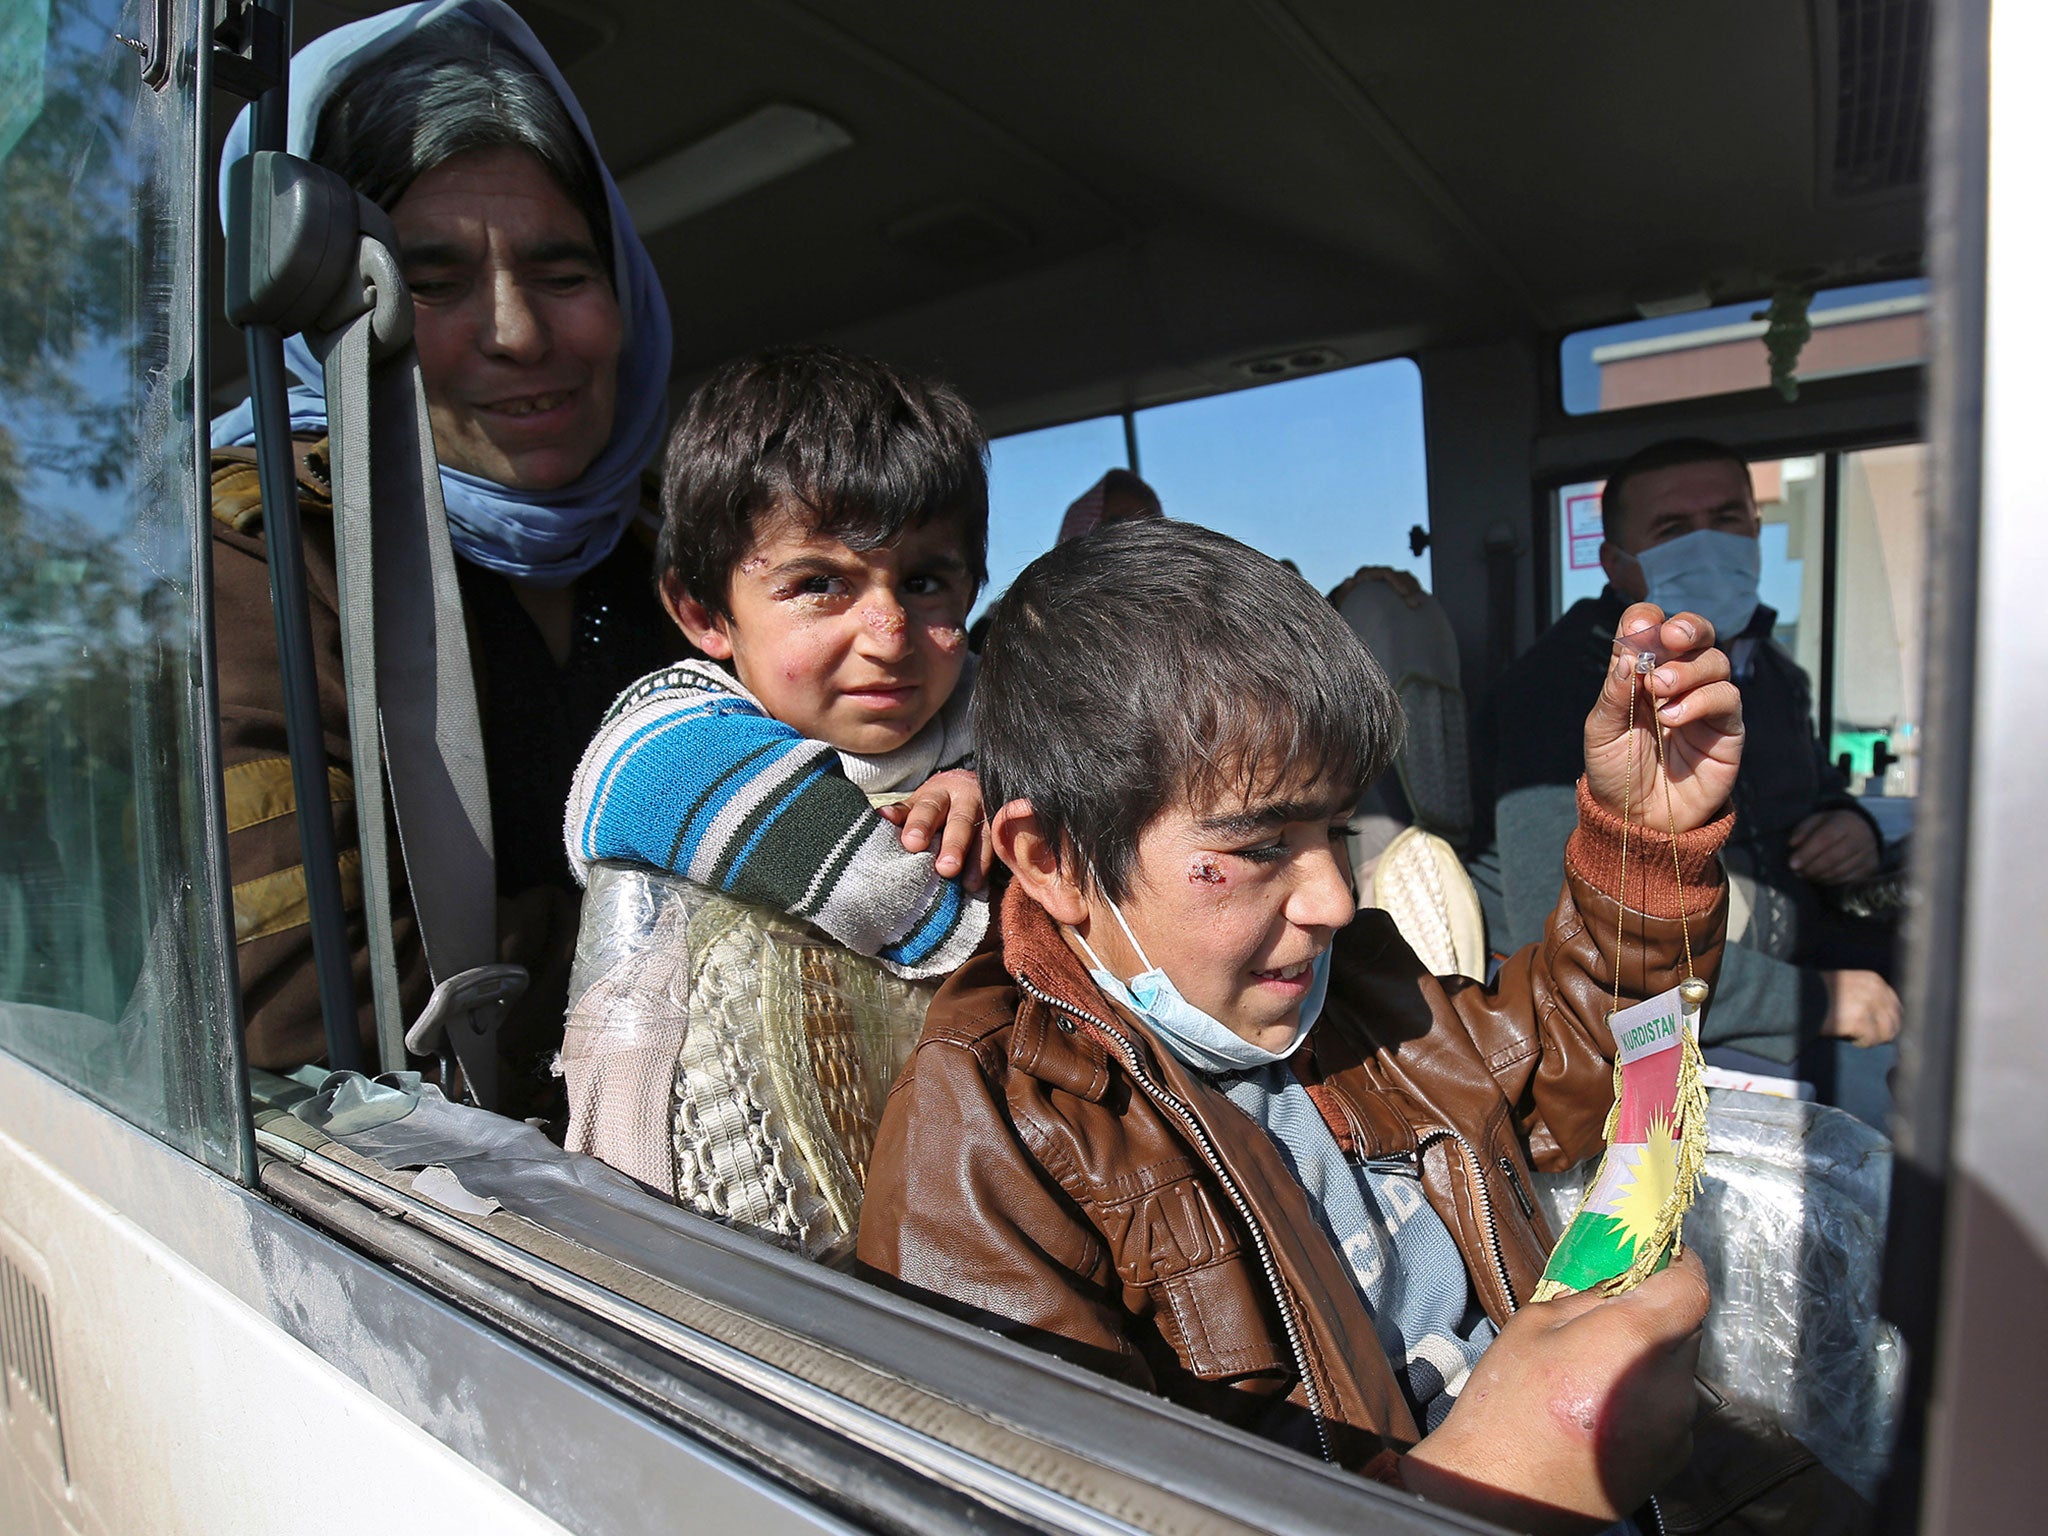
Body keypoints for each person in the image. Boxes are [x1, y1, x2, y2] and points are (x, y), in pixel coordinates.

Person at [858, 520, 1857, 1533]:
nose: (1333, 898)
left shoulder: (1362, 996)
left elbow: (1593, 1067)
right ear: (1052, 862)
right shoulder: (990, 1136)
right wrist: (1476, 1484)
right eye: (1257, 846)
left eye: (1333, 832)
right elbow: (1043, 1505)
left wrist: (1643, 842)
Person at [208, 0, 682, 1110]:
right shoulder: (263, 565)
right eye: (428, 284)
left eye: (564, 273)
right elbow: (297, 1014)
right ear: (330, 313)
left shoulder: (690, 560)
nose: (517, 332)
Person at [1480, 438, 1899, 1102]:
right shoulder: (1564, 689)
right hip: (1653, 1004)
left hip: (1786, 945)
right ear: (1617, 566)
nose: (1709, 545)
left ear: (1756, 533)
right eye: (1673, 530)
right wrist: (1810, 1001)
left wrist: (1851, 828)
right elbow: (1564, 935)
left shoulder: (1772, 669)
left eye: (1729, 519)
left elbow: (1819, 788)